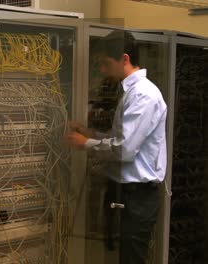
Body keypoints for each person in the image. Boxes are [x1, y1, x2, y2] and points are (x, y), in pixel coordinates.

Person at [67, 31, 167, 264]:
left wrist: (86, 144)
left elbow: (124, 149)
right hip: (124, 192)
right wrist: (91, 134)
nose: (102, 70)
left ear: (124, 59)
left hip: (137, 196)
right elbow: (122, 138)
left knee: (131, 259)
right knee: (117, 256)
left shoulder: (143, 95)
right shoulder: (131, 92)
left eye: (105, 63)